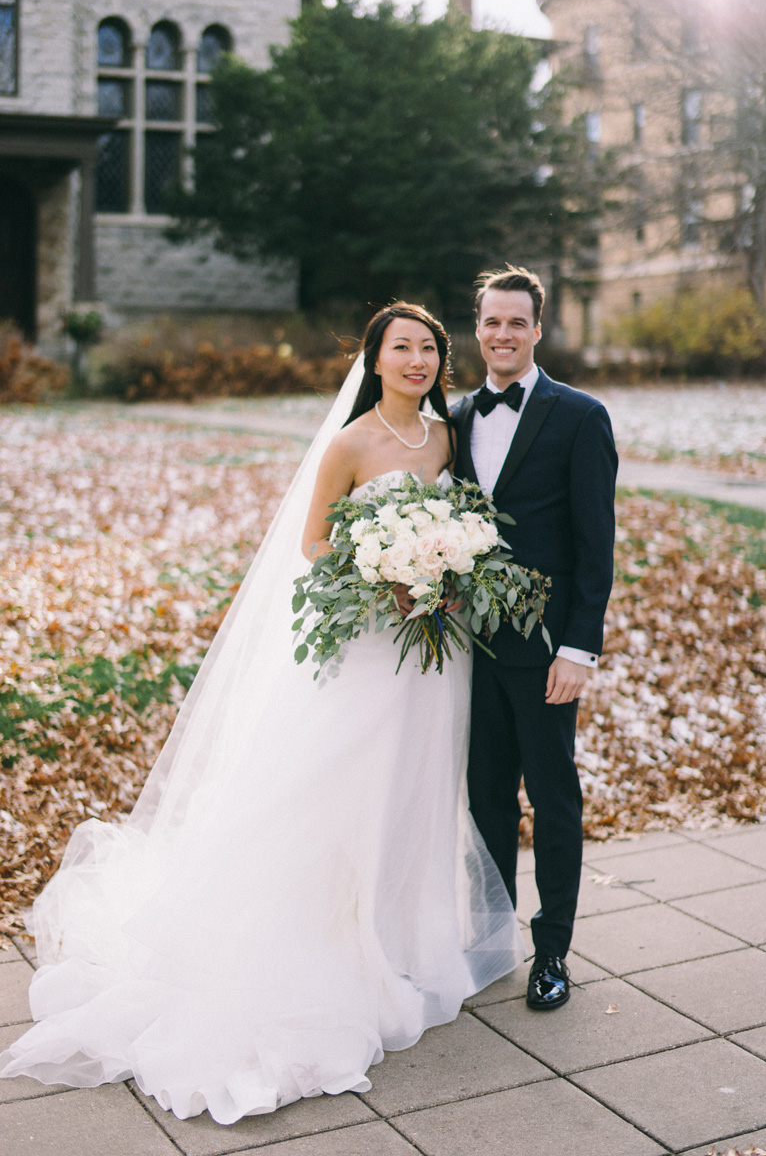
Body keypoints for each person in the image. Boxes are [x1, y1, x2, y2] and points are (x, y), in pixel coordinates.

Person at [0, 304, 523, 1125]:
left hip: (438, 651)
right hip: (371, 646)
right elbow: (314, 543)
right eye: (401, 348)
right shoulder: (348, 445)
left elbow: (473, 525)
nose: (416, 360)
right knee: (345, 785)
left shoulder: (451, 439)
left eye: (428, 349)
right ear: (374, 358)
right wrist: (383, 569)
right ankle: (332, 944)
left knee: (419, 788)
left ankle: (406, 939)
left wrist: (445, 571)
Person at [453, 267, 617, 1012]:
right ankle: (490, 942)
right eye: (492, 322)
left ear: (538, 329)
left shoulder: (580, 417)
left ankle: (552, 951)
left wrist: (579, 649)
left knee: (552, 801)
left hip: (546, 649)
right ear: (477, 326)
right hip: (464, 650)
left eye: (517, 322)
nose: (502, 334)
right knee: (482, 794)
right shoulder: (454, 418)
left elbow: (595, 543)